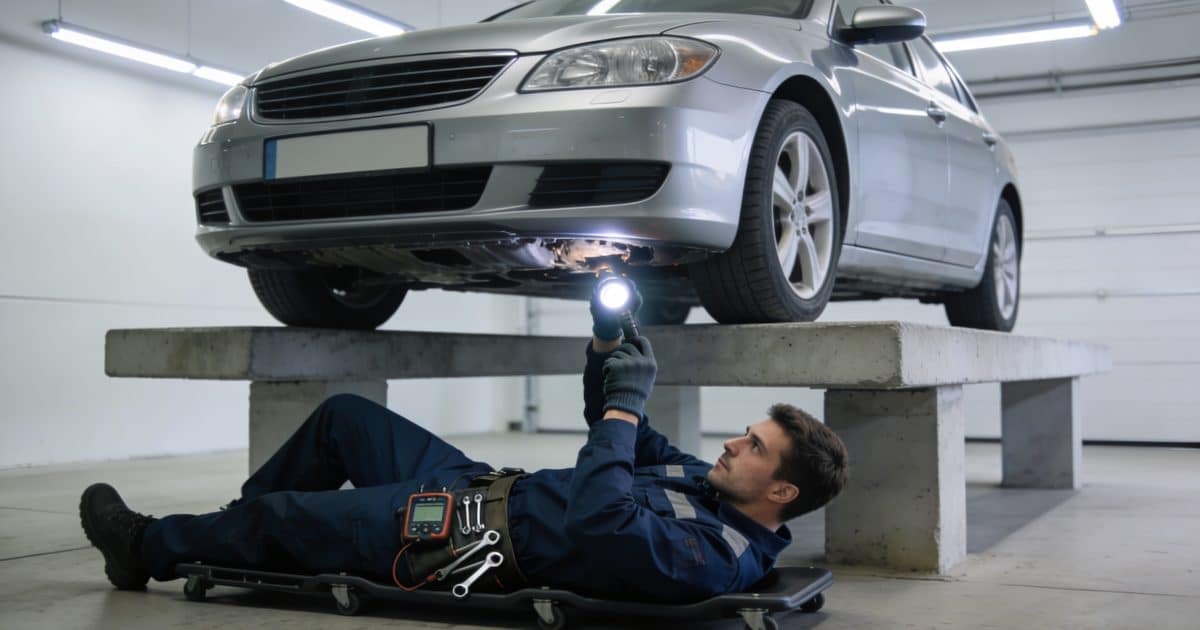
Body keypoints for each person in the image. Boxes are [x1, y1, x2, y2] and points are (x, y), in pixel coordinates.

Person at [80, 282, 849, 603]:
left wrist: (622, 410)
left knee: (287, 515)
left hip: (465, 537)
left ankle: (145, 548)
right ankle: (227, 543)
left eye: (751, 447)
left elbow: (600, 523)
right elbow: (620, 432)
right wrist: (605, 350)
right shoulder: (701, 483)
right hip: (487, 484)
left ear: (781, 492)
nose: (729, 445)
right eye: (744, 433)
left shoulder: (716, 555)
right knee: (346, 417)